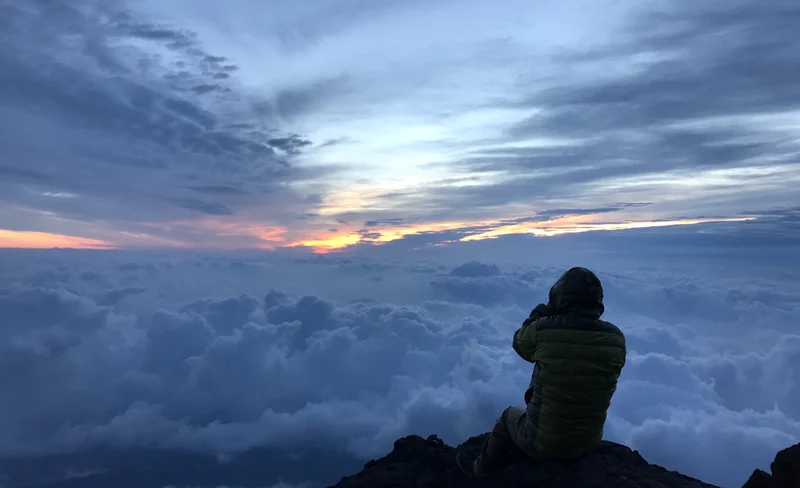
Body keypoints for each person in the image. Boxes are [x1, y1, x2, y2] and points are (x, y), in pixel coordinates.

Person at [457, 267, 627, 477]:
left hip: (543, 443)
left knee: (508, 415)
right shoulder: (616, 339)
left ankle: (480, 470)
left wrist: (539, 314)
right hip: (588, 442)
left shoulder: (543, 330)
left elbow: (520, 344)